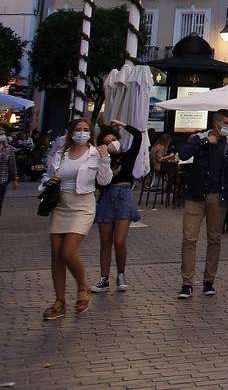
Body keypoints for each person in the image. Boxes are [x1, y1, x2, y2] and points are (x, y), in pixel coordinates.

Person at [42, 118, 112, 321]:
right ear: (71, 132)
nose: (81, 133)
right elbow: (47, 177)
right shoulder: (60, 154)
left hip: (83, 205)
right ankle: (59, 301)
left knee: (68, 251)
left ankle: (83, 287)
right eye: (78, 129)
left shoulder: (95, 154)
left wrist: (105, 159)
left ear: (91, 133)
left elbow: (104, 180)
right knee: (56, 254)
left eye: (85, 130)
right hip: (61, 204)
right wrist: (49, 181)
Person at [177, 110, 228, 300]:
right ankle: (187, 283)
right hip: (196, 195)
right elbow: (183, 154)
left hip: (218, 196)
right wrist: (206, 141)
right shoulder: (199, 138)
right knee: (189, 238)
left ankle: (209, 281)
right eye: (226, 123)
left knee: (214, 238)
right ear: (216, 124)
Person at [91, 121, 142, 292]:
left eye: (113, 139)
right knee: (105, 241)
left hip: (124, 195)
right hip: (107, 197)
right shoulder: (102, 160)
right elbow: (99, 183)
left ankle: (121, 274)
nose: (110, 143)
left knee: (119, 241)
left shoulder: (128, 155)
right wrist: (105, 161)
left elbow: (138, 135)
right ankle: (104, 278)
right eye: (106, 142)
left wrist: (121, 123)